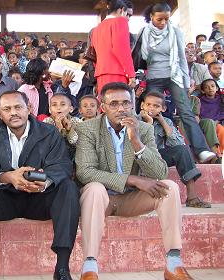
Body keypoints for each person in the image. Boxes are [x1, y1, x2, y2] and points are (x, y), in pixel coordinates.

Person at [75, 82, 194, 280]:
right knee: (94, 188)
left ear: (132, 105)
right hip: (100, 200)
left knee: (170, 188)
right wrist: (133, 180)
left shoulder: (144, 129)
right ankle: (90, 268)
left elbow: (160, 171)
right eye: (114, 104)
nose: (121, 108)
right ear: (102, 106)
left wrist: (136, 141)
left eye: (125, 103)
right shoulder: (88, 129)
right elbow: (86, 172)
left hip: (130, 200)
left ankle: (174, 264)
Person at [0, 90, 80, 280]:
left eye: (18, 107)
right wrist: (9, 177)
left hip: (39, 198)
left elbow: (62, 165)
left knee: (68, 187)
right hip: (3, 199)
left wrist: (44, 182)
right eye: (7, 109)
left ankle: (62, 269)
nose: (13, 113)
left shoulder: (48, 132)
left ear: (29, 108)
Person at [140, 3, 216, 163]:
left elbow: (181, 57)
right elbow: (144, 56)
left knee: (186, 112)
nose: (163, 23)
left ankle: (202, 150)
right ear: (151, 17)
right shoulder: (145, 32)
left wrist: (186, 81)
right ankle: (152, 148)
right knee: (152, 110)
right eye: (159, 19)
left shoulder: (176, 32)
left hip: (175, 76)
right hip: (155, 76)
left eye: (167, 19)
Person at [140, 91, 211, 207]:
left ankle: (192, 197)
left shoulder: (166, 122)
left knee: (182, 150)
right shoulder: (135, 119)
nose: (151, 108)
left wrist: (162, 121)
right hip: (137, 159)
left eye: (156, 106)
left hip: (157, 159)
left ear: (163, 109)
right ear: (142, 105)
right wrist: (148, 123)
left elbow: (179, 143)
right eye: (148, 105)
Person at [91, 0, 135, 94]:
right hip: (117, 71)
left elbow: (93, 53)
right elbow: (122, 49)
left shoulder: (96, 29)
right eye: (127, 14)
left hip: (101, 72)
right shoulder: (120, 21)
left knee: (106, 104)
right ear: (122, 10)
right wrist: (131, 74)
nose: (128, 19)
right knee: (120, 104)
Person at [43, 93, 82, 159]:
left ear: (71, 109)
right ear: (50, 109)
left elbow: (80, 145)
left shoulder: (76, 122)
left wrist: (69, 130)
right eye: (54, 105)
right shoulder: (47, 122)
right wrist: (59, 129)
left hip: (74, 158)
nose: (58, 108)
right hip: (53, 159)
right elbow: (47, 146)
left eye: (63, 104)